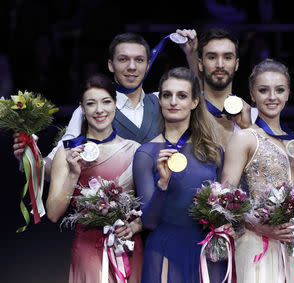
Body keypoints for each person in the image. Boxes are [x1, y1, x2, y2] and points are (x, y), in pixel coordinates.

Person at [13, 30, 198, 180]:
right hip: (111, 220)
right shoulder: (92, 110)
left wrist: (191, 55)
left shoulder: (163, 102)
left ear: (148, 64)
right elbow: (57, 164)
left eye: (139, 60)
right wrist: (30, 159)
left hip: (159, 214)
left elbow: (198, 99)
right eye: (123, 59)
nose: (132, 67)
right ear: (111, 65)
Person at [221, 59, 294, 283]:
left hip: (291, 244)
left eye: (279, 90)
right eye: (263, 90)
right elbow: (226, 196)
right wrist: (259, 226)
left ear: (288, 94)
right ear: (252, 94)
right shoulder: (245, 137)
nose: (272, 97)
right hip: (256, 243)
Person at [133, 67, 230, 283]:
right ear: (159, 100)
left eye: (182, 95)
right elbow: (148, 222)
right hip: (164, 249)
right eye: (167, 95)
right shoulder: (146, 153)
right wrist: (163, 184)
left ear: (194, 102)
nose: (173, 102)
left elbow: (229, 207)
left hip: (208, 252)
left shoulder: (213, 152)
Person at [46, 73, 143, 282]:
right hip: (88, 251)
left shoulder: (135, 150)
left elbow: (151, 206)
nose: (99, 110)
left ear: (115, 104)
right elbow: (53, 213)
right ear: (82, 107)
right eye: (91, 103)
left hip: (127, 247)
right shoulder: (68, 153)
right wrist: (73, 174)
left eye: (106, 102)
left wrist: (136, 226)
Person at [195, 28, 256, 148]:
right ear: (200, 64)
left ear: (236, 64)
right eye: (212, 57)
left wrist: (249, 129)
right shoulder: (187, 114)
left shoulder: (255, 117)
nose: (220, 65)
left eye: (227, 58)